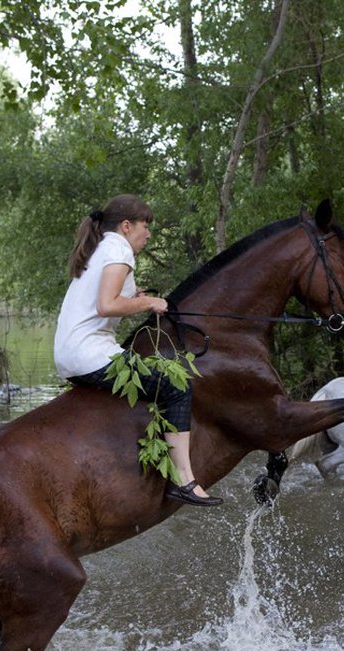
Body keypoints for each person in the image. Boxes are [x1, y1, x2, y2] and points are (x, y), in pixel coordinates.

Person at [54, 194, 221, 506]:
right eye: (146, 226)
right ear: (127, 226)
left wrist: (136, 294)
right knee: (176, 385)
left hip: (71, 354)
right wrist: (148, 302)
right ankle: (183, 481)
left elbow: (105, 298)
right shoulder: (118, 248)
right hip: (90, 354)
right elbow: (106, 305)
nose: (149, 233)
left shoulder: (101, 248)